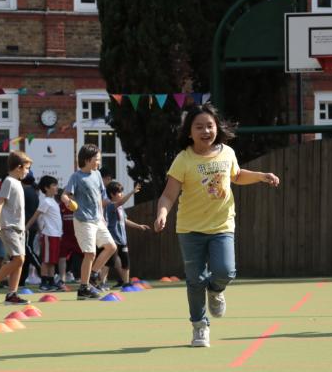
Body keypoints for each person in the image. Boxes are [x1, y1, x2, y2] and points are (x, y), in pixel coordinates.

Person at [153, 102, 280, 348]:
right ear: (189, 132)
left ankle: (216, 289)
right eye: (198, 127)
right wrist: (162, 214)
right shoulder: (183, 159)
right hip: (190, 229)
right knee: (194, 280)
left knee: (226, 271)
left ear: (217, 128)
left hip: (222, 225)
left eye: (209, 126)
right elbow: (168, 195)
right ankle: (200, 327)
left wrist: (261, 176)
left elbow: (237, 175)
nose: (205, 131)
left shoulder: (227, 153)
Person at [61, 144, 118, 300]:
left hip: (97, 219)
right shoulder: (76, 177)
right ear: (87, 159)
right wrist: (67, 200)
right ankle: (83, 288)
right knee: (90, 253)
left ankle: (92, 274)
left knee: (111, 247)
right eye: (96, 159)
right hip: (83, 220)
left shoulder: (97, 174)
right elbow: (65, 195)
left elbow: (99, 197)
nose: (98, 162)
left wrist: (102, 216)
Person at [0, 150, 32, 305]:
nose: (28, 172)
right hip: (8, 227)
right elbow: (0, 202)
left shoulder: (17, 183)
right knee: (19, 259)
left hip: (18, 229)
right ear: (18, 167)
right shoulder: (9, 181)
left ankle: (12, 295)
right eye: (26, 168)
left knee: (19, 261)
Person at [105, 181, 150, 288]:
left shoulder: (120, 208)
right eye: (119, 192)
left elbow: (125, 221)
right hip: (113, 240)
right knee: (108, 262)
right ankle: (101, 282)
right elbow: (120, 202)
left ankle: (126, 283)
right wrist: (132, 192)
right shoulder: (110, 206)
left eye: (122, 192)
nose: (122, 194)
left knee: (125, 262)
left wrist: (139, 226)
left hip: (122, 239)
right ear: (112, 194)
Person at [24, 175, 63, 291]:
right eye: (54, 185)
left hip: (56, 235)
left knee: (52, 260)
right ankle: (44, 283)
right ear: (46, 188)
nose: (57, 187)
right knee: (46, 260)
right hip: (48, 235)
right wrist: (26, 228)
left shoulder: (54, 202)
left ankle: (51, 281)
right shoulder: (45, 201)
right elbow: (35, 216)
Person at [20, 172, 42, 286]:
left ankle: (42, 270)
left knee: (27, 250)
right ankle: (22, 279)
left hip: (26, 225)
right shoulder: (34, 193)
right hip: (31, 225)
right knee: (25, 253)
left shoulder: (23, 192)